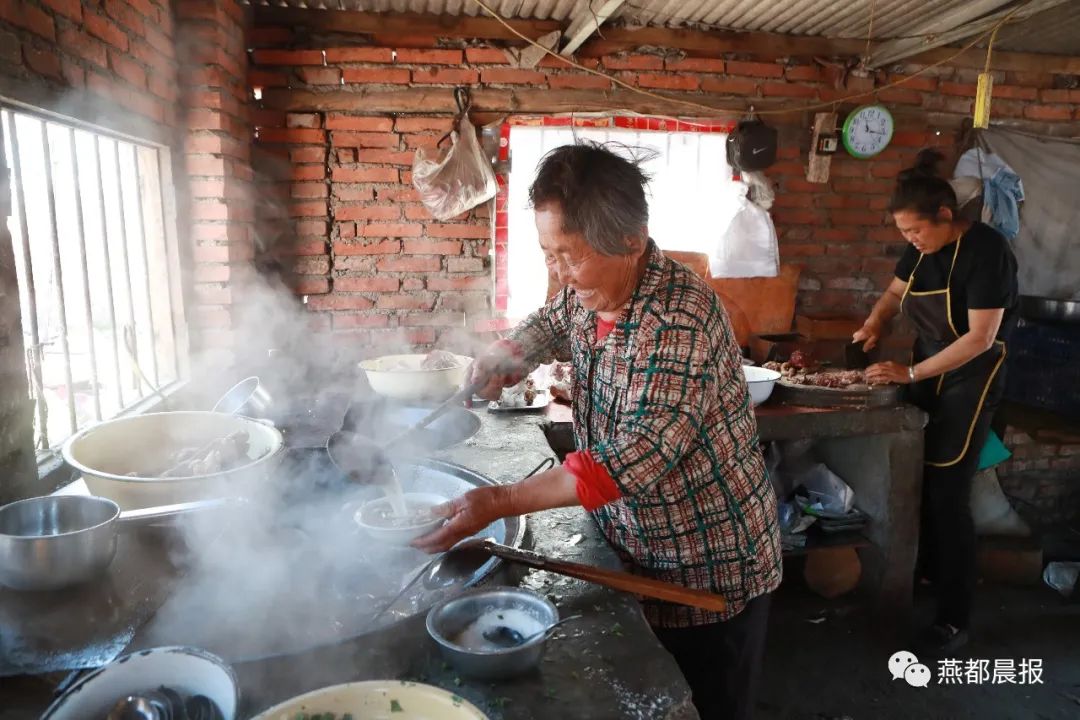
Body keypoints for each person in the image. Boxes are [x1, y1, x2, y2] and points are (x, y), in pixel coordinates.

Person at [414, 143, 782, 720]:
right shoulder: (596, 291)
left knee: (704, 705)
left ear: (631, 240)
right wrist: (505, 355)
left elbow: (632, 459)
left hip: (708, 563)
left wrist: (500, 501)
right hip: (633, 547)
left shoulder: (677, 320)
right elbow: (551, 320)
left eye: (571, 256)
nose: (558, 272)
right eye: (548, 253)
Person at [856, 149, 1018, 654]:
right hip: (927, 371)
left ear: (946, 216)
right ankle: (926, 573)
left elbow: (980, 337)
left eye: (915, 232)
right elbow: (893, 293)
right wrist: (875, 324)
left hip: (971, 379)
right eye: (904, 233)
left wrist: (910, 372)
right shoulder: (923, 249)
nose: (910, 242)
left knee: (950, 495)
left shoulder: (987, 252)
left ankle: (955, 616)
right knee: (919, 480)